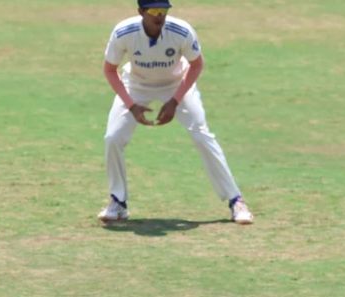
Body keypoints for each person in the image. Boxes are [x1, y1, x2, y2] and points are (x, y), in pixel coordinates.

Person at [98, 0, 253, 225]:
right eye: (154, 11)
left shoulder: (181, 31)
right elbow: (109, 70)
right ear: (141, 11)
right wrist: (131, 105)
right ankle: (118, 202)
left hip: (176, 84)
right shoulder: (124, 31)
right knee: (113, 137)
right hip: (136, 84)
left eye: (164, 10)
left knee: (202, 135)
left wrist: (175, 101)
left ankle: (236, 201)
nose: (160, 16)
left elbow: (196, 64)